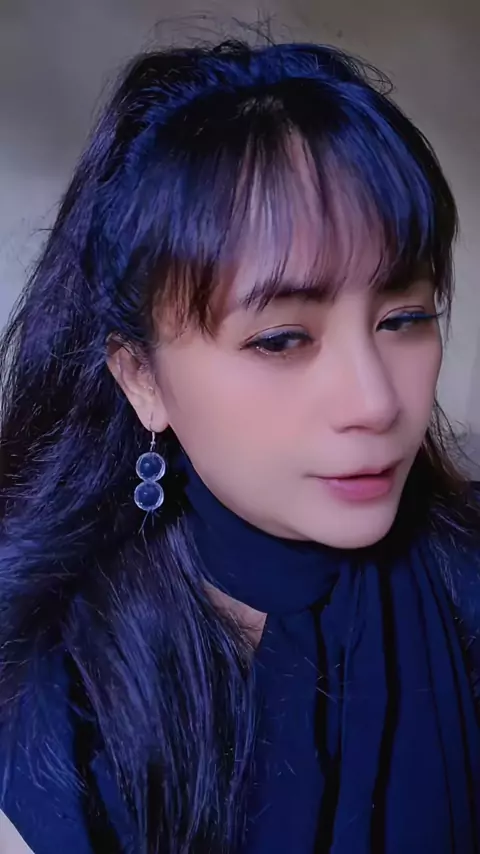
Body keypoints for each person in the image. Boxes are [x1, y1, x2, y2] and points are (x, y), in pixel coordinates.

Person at [0, 37, 479, 854]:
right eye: (283, 339)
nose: (375, 401)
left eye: (404, 319)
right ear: (141, 378)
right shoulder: (55, 700)